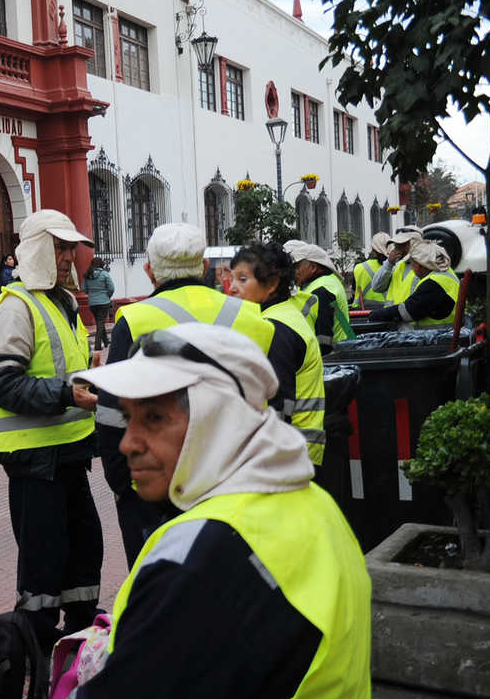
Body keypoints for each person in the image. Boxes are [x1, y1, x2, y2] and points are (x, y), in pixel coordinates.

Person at [34, 323, 370, 699]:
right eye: (130, 418)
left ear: (218, 421)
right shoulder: (311, 501)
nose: (128, 444)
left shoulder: (198, 557)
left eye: (154, 418)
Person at [99, 223, 274, 567]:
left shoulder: (133, 320)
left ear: (150, 271)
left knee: (160, 587)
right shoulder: (252, 316)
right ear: (204, 267)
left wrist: (121, 483)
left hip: (161, 483)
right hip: (235, 476)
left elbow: (110, 414)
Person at [0, 208, 103, 653]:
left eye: (72, 247)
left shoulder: (61, 302)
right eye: (61, 246)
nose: (70, 255)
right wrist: (69, 393)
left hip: (69, 456)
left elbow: (61, 371)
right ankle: (35, 662)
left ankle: (80, 652)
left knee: (84, 562)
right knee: (43, 575)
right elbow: (3, 384)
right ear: (37, 250)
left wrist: (89, 376)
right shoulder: (14, 308)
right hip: (35, 464)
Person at [229, 242, 326, 466]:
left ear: (272, 283)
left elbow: (279, 405)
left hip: (288, 455)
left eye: (242, 279)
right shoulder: (285, 315)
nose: (232, 287)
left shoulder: (276, 328)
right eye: (232, 278)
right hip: (298, 449)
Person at [369, 239, 459, 328]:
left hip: (440, 339)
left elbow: (408, 311)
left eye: (412, 264)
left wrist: (375, 315)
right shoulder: (445, 275)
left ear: (419, 264)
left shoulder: (434, 283)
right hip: (446, 335)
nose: (412, 269)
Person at [289, 242, 351, 352]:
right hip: (341, 350)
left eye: (297, 267)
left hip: (331, 358)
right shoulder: (328, 282)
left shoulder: (321, 291)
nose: (294, 272)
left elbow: (323, 340)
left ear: (313, 267)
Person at [368, 228, 424, 306]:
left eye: (400, 244)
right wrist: (389, 263)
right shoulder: (397, 265)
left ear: (412, 244)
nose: (396, 248)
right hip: (392, 316)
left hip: (410, 316)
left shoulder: (425, 267)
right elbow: (376, 287)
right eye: (395, 244)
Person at [81, 257, 116, 351]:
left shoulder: (87, 275)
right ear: (101, 264)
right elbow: (111, 288)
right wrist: (107, 295)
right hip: (104, 302)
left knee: (99, 322)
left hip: (92, 303)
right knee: (100, 323)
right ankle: (97, 345)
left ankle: (106, 342)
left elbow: (83, 288)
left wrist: (91, 294)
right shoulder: (105, 274)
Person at [354, 232, 390, 309]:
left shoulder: (359, 268)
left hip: (361, 313)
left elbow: (354, 290)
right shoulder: (394, 268)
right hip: (387, 311)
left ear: (373, 249)